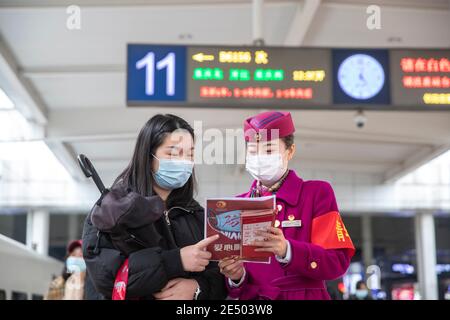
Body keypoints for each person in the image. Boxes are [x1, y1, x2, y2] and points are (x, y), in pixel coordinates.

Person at [82, 114, 226, 300]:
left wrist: (198, 288)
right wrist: (176, 261)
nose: (184, 162)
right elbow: (107, 279)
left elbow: (220, 278)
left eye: (189, 154)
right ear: (148, 156)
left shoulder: (196, 214)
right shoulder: (111, 211)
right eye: (173, 153)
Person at [218, 111, 355, 300]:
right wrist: (236, 277)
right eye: (252, 151)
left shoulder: (316, 193)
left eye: (268, 150)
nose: (259, 158)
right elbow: (237, 289)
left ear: (290, 151)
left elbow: (337, 262)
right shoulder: (237, 205)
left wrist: (287, 250)